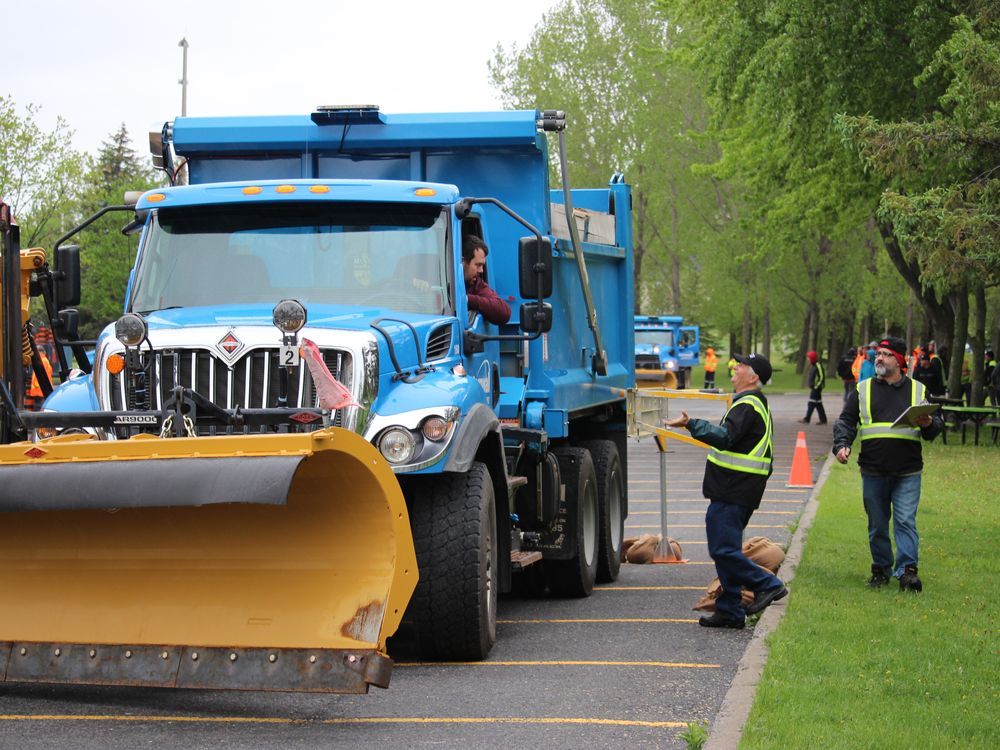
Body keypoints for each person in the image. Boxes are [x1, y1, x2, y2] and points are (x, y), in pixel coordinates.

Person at [665, 352, 786, 628]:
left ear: (753, 376)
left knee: (723, 550)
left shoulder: (748, 405)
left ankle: (768, 584)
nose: (734, 368)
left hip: (734, 489)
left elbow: (726, 437)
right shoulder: (750, 404)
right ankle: (730, 610)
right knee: (726, 548)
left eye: (741, 365)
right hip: (737, 489)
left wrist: (691, 424)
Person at [832, 336, 943, 592]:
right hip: (873, 469)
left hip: (908, 471)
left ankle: (907, 573)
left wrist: (929, 424)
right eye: (878, 354)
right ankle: (881, 569)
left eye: (886, 354)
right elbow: (847, 421)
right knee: (878, 524)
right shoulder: (864, 389)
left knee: (905, 521)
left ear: (900, 360)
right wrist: (842, 444)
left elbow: (935, 426)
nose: (878, 358)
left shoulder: (918, 390)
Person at [462, 235, 510, 326]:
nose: (481, 270)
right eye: (478, 265)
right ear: (463, 262)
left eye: (482, 265)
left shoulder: (476, 285)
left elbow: (504, 312)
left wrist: (468, 299)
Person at [799, 350, 827, 424]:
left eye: (809, 358)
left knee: (811, 403)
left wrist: (816, 386)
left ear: (812, 358)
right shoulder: (813, 366)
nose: (808, 359)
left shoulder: (818, 365)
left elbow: (821, 377)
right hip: (814, 388)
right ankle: (823, 420)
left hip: (817, 388)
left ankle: (807, 419)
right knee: (818, 404)